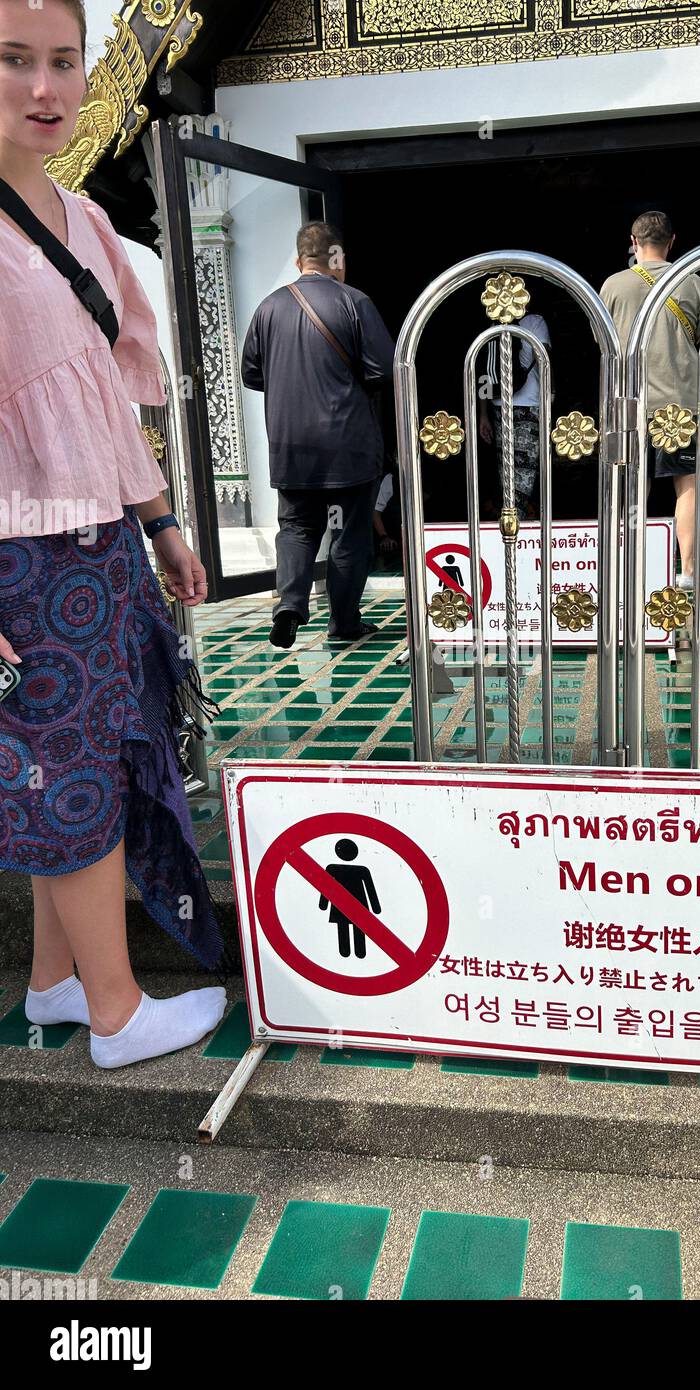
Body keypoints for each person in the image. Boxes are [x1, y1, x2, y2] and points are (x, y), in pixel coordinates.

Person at [0, 0, 227, 1069]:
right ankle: (118, 1013)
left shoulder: (82, 219)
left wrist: (162, 521)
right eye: (11, 61)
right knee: (73, 774)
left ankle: (53, 984)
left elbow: (103, 391)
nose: (43, 89)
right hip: (21, 559)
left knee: (72, 760)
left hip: (100, 544)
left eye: (61, 61)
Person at [241, 222, 395, 646]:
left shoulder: (269, 307)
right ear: (338, 259)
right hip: (346, 445)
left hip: (291, 446)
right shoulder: (354, 302)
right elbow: (384, 370)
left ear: (298, 261)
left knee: (296, 528)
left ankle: (290, 605)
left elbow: (250, 373)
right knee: (347, 534)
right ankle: (343, 623)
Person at [599, 211, 700, 584]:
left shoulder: (613, 286)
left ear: (633, 242)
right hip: (679, 404)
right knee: (687, 485)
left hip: (628, 402)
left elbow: (602, 344)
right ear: (672, 241)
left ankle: (632, 566)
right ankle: (687, 571)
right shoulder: (693, 283)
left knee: (634, 485)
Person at [479, 311, 551, 520]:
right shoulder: (534, 321)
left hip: (499, 403)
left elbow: (483, 372)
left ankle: (510, 517)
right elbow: (543, 361)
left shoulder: (492, 322)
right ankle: (516, 522)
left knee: (507, 469)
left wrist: (483, 414)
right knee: (526, 470)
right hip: (529, 404)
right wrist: (551, 394)